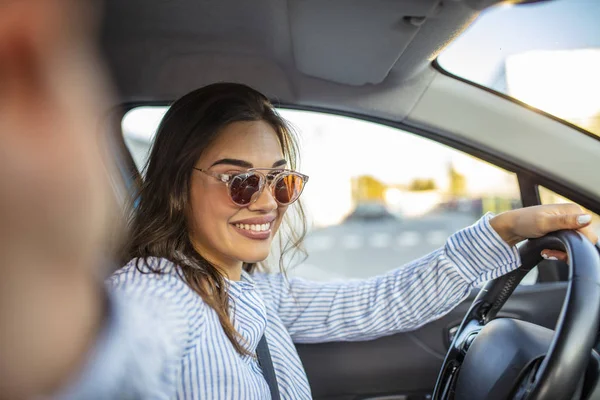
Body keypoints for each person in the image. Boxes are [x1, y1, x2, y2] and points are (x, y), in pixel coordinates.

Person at [0, 0, 597, 399]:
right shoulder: (157, 291)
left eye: (281, 181)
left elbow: (374, 304)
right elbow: (119, 357)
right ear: (179, 189)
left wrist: (506, 228)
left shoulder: (252, 289)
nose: (267, 202)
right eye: (240, 180)